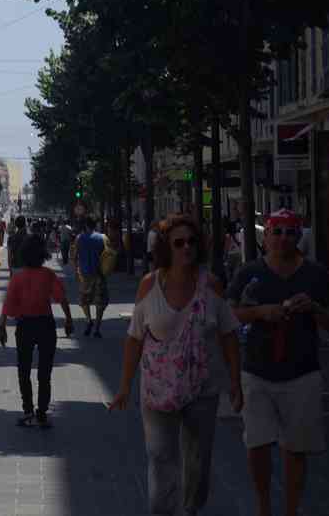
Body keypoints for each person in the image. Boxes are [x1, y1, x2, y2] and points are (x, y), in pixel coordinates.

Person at [109, 214, 243, 516]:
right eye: (178, 242)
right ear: (166, 248)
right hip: (157, 390)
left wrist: (235, 381)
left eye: (192, 242)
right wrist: (124, 387)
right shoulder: (149, 286)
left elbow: (229, 335)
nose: (186, 248)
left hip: (203, 389)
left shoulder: (212, 286)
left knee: (198, 463)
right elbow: (134, 338)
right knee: (160, 457)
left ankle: (190, 509)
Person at [226, 209, 329, 516]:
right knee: (258, 445)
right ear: (267, 237)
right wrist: (261, 312)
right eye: (277, 232)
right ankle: (264, 507)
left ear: (300, 236)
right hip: (257, 370)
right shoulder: (250, 273)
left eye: (290, 232)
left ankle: (291, 509)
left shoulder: (316, 275)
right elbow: (229, 314)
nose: (283, 238)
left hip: (302, 371)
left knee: (296, 448)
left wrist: (314, 308)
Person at [0, 234, 74, 427]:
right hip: (45, 325)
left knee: (23, 370)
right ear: (43, 254)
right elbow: (61, 298)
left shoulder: (18, 277)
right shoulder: (48, 275)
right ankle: (42, 412)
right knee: (44, 372)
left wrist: (2, 326)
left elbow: (8, 303)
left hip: (24, 326)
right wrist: (68, 319)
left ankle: (28, 410)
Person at [74, 217, 109, 338]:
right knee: (100, 303)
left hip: (85, 275)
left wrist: (76, 271)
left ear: (86, 226)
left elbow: (73, 256)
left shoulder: (79, 238)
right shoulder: (103, 238)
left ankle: (88, 320)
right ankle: (97, 329)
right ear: (95, 225)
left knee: (84, 301)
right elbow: (108, 255)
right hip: (99, 275)